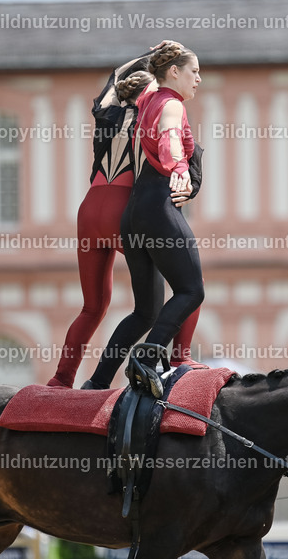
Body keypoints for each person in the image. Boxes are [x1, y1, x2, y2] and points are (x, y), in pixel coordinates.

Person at [48, 48, 201, 388]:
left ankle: (62, 379)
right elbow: (176, 146)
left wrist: (152, 52)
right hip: (126, 205)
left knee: (92, 307)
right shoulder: (156, 108)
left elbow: (115, 77)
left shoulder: (107, 115)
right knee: (184, 284)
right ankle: (180, 357)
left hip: (89, 209)